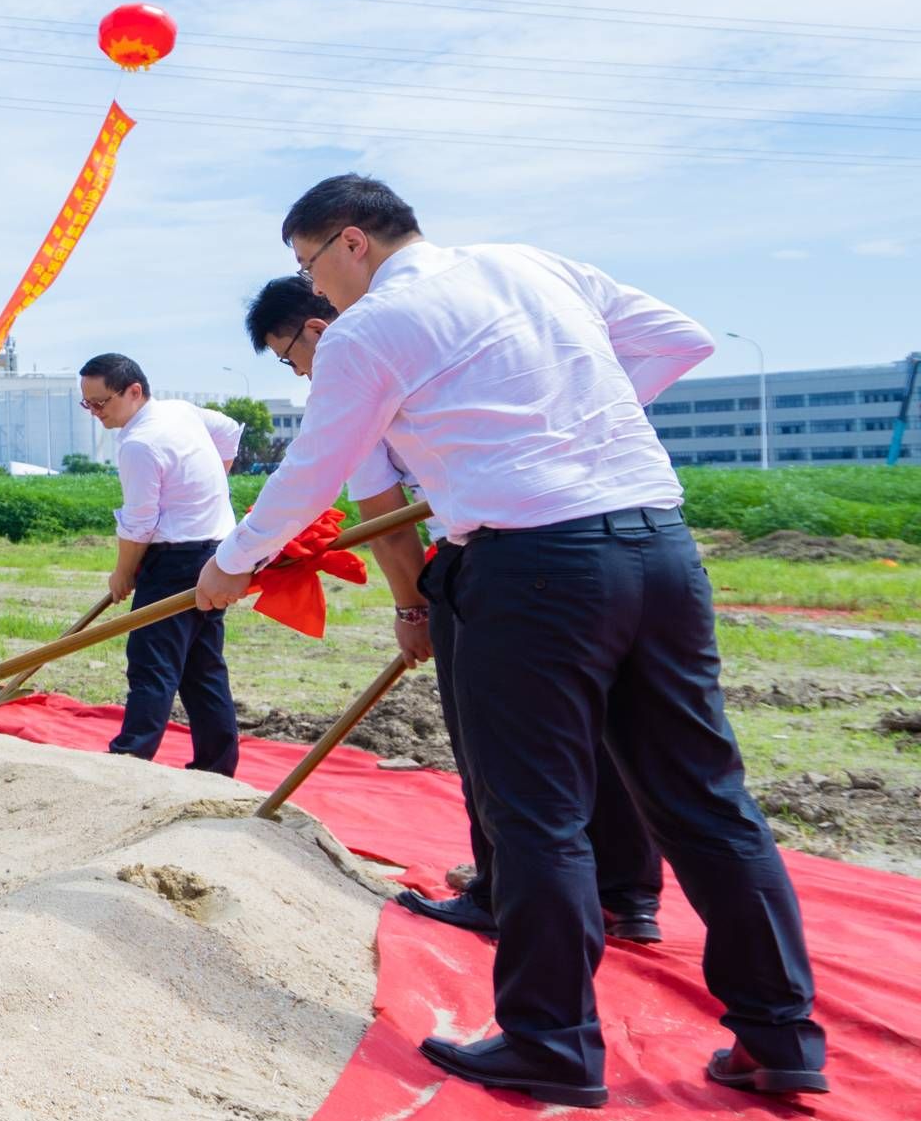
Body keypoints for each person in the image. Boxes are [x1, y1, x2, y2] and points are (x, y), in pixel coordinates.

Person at [195, 176, 822, 1107]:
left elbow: (313, 471)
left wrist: (233, 562)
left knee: (536, 813)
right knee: (707, 799)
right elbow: (681, 340)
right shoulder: (532, 264)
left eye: (309, 264)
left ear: (352, 241)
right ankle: (782, 1035)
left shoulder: (368, 329)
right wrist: (566, 429)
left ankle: (551, 1042)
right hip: (657, 547)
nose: (314, 288)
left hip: (532, 571)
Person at [250, 277, 667, 946]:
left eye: (288, 357)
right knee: (597, 727)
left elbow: (388, 522)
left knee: (494, 746)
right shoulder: (483, 342)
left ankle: (506, 892)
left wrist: (413, 610)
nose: (299, 374)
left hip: (494, 563)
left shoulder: (361, 373)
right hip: (620, 544)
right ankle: (628, 895)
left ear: (316, 331)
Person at [78, 354, 246, 777]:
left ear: (134, 391)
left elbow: (139, 522)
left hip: (176, 559)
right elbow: (229, 430)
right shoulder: (180, 411)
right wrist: (205, 488)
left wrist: (123, 573)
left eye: (101, 403)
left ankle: (131, 759)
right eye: (87, 404)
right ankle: (216, 766)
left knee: (152, 661)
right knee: (201, 667)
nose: (95, 412)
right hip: (217, 554)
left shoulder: (139, 443)